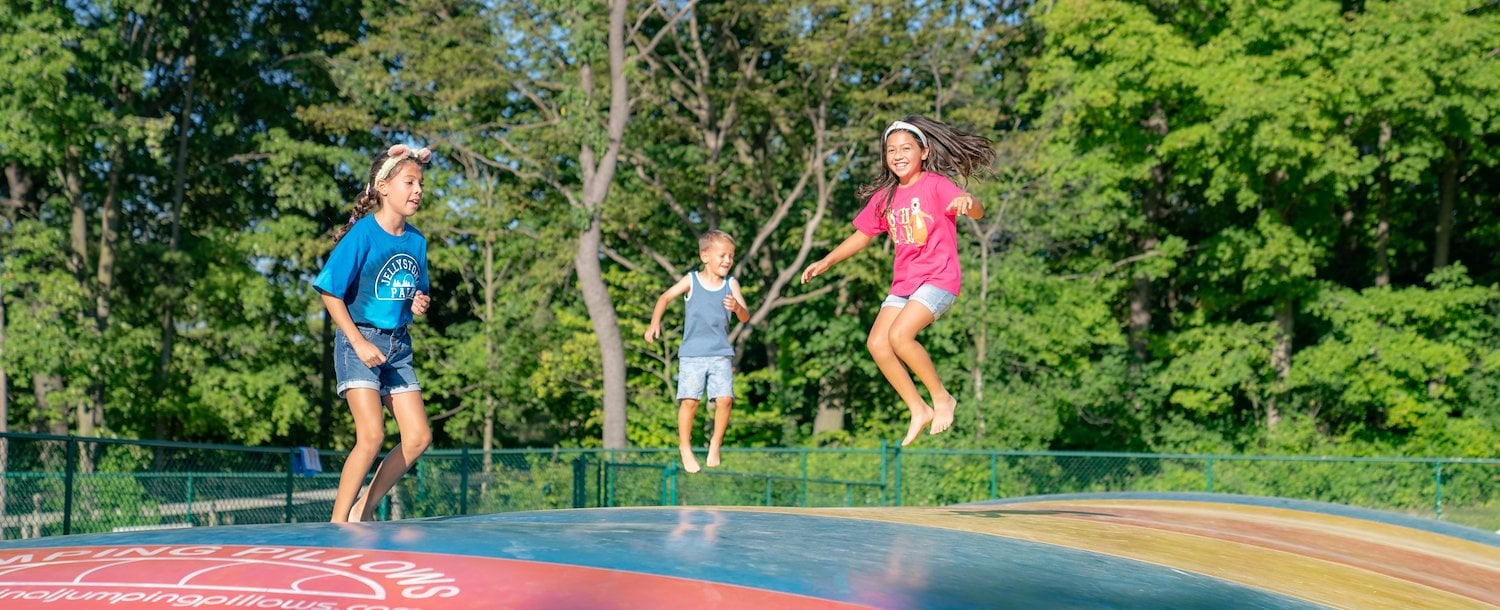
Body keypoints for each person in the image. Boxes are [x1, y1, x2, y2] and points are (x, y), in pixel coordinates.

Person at [800, 115, 994, 447]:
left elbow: (977, 210)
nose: (898, 155)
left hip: (939, 278)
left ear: (924, 151)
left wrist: (969, 201)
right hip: (905, 284)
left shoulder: (934, 184)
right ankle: (918, 408)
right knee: (877, 344)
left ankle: (941, 398)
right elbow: (861, 237)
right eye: (891, 150)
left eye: (906, 148)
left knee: (900, 336)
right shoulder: (886, 196)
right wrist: (826, 261)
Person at [313, 143, 435, 522]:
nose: (417, 190)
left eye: (421, 184)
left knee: (418, 438)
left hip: (398, 345)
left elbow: (416, 289)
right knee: (371, 436)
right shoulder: (363, 235)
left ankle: (363, 510)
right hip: (359, 340)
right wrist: (359, 342)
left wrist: (418, 301)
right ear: (383, 187)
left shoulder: (417, 241)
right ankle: (337, 524)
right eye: (409, 182)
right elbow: (330, 292)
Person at [645, 230, 751, 473]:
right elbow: (665, 297)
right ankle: (685, 447)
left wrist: (736, 307)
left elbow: (745, 317)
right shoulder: (691, 280)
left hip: (721, 353)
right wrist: (654, 323)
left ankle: (715, 443)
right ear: (705, 256)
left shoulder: (730, 284)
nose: (727, 260)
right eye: (722, 255)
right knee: (690, 401)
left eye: (731, 256)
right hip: (692, 354)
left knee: (725, 400)